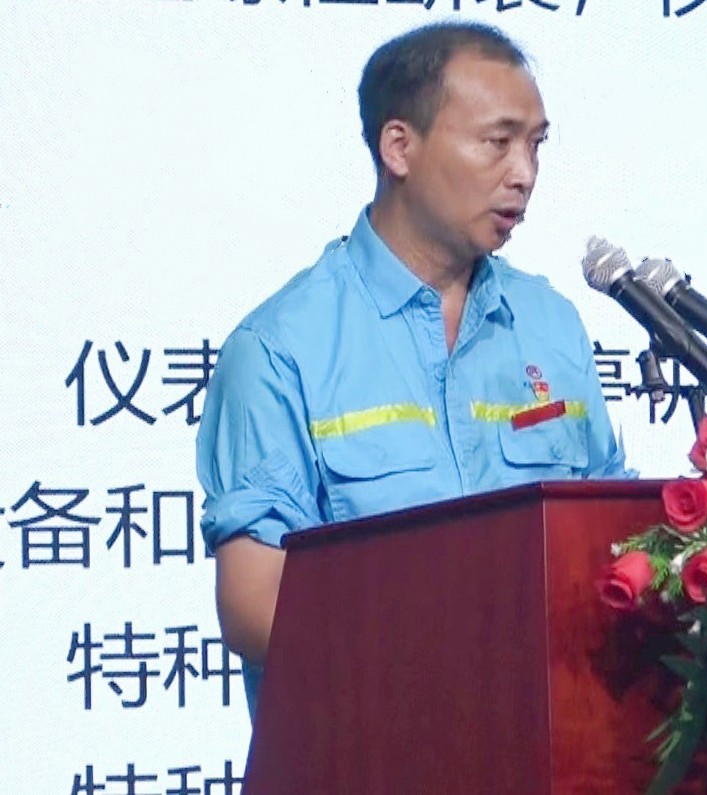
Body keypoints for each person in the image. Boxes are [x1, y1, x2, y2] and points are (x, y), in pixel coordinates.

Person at [194, 21, 632, 719]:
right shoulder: (280, 347)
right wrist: (464, 651)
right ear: (399, 146)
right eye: (498, 141)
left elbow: (615, 538)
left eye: (535, 144)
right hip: (375, 747)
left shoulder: (550, 324)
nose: (524, 173)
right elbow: (256, 604)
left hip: (555, 743)